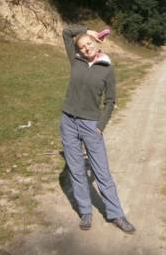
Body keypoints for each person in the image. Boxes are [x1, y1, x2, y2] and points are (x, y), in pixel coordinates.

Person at [60, 25, 136, 234]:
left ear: (96, 43)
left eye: (89, 44)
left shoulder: (107, 68)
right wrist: (87, 30)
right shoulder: (76, 60)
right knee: (76, 169)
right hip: (68, 121)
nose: (86, 48)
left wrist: (100, 126)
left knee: (101, 171)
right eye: (82, 46)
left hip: (90, 125)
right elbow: (66, 32)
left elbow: (110, 101)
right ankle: (85, 211)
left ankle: (116, 214)